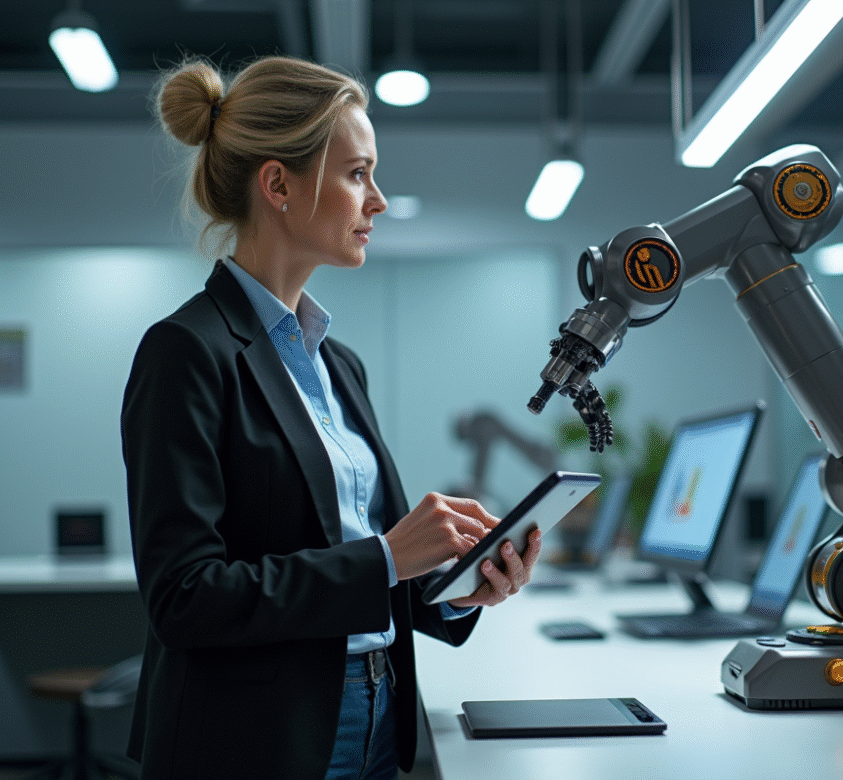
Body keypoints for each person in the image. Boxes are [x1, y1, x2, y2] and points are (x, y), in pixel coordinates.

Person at [121, 55, 540, 780]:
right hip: (257, 740)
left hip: (376, 712)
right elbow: (183, 598)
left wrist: (457, 589)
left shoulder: (337, 363)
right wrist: (386, 555)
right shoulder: (186, 351)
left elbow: (366, 578)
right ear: (278, 184)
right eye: (357, 174)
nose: (377, 200)